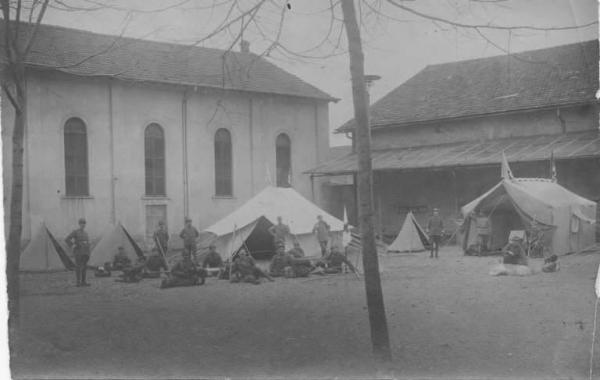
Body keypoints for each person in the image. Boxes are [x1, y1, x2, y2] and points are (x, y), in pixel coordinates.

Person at [65, 218, 91, 287]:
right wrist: (73, 245)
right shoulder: (75, 232)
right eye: (81, 223)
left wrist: (88, 249)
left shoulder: (86, 233)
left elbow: (87, 242)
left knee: (84, 267)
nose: (83, 225)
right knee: (78, 267)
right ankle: (78, 282)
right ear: (79, 224)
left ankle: (83, 282)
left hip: (85, 253)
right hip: (78, 252)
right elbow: (67, 239)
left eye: (84, 223)